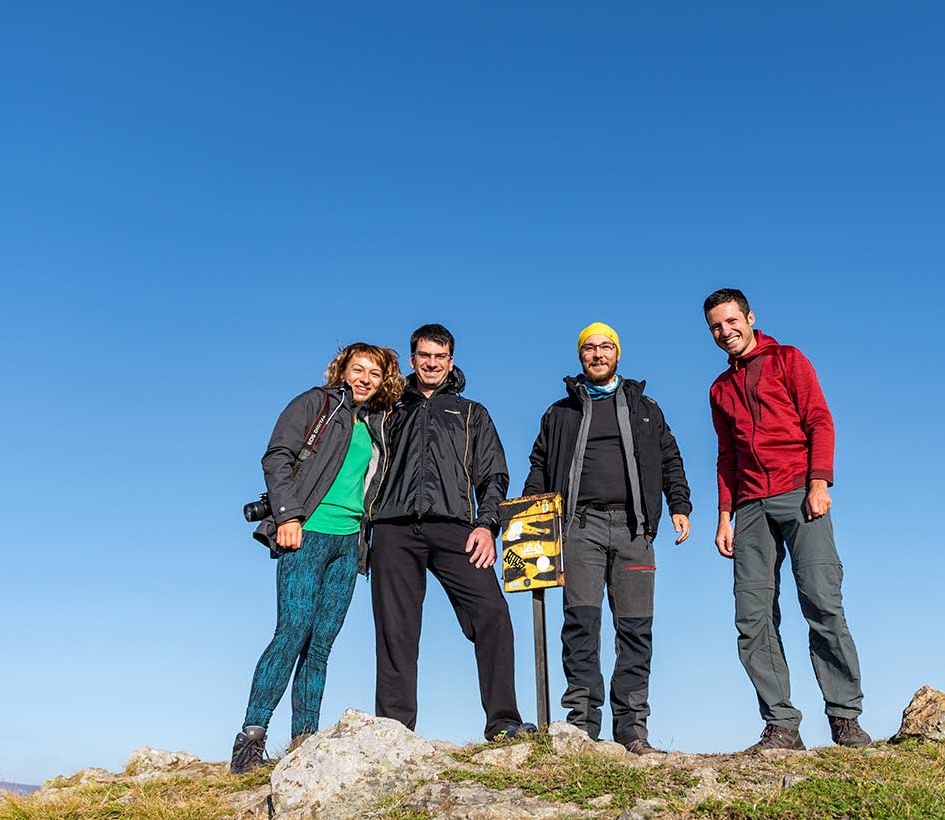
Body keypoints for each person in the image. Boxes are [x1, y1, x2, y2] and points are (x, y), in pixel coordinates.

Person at [703, 289, 872, 750]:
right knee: (752, 616)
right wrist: (724, 516)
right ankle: (781, 724)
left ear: (750, 318)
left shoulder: (788, 359)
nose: (725, 331)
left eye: (732, 321)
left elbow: (819, 420)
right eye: (716, 326)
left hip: (799, 493)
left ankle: (845, 717)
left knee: (822, 601)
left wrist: (819, 483)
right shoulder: (719, 389)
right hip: (749, 506)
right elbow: (726, 456)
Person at [230, 343, 405, 774]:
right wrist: (288, 516)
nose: (365, 379)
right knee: (292, 631)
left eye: (374, 374)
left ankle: (303, 743)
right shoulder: (316, 402)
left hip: (349, 543)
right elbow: (277, 456)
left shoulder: (375, 423)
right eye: (358, 369)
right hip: (306, 532)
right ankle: (250, 740)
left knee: (321, 644)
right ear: (342, 370)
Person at [523, 322, 692, 754]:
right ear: (580, 356)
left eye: (605, 347)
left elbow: (670, 459)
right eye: (589, 348)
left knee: (635, 630)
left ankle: (632, 730)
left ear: (617, 353)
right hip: (580, 527)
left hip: (635, 529)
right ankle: (581, 725)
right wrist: (528, 519)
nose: (597, 354)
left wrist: (679, 505)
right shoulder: (560, 412)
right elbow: (539, 466)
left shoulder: (645, 408)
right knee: (581, 624)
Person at [370, 323, 533, 740]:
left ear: (451, 361)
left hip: (456, 527)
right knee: (395, 630)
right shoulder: (388, 409)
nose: (432, 363)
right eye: (424, 356)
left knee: (493, 613)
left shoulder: (471, 413)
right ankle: (394, 731)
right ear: (412, 360)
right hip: (392, 527)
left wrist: (487, 525)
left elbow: (493, 475)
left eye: (439, 357)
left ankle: (503, 721)